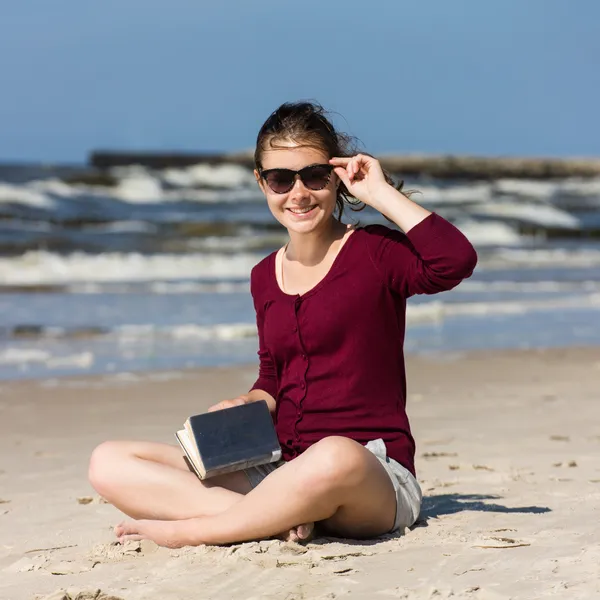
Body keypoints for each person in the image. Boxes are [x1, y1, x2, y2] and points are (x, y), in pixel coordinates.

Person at [88, 101, 477, 548]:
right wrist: (246, 401)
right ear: (261, 181)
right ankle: (276, 518)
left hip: (369, 475)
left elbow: (455, 260)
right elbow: (273, 376)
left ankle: (201, 529)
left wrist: (380, 192)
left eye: (314, 175)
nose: (298, 193)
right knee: (109, 461)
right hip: (279, 468)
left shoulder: (375, 252)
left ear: (336, 176)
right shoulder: (262, 276)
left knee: (334, 455)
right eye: (280, 179)